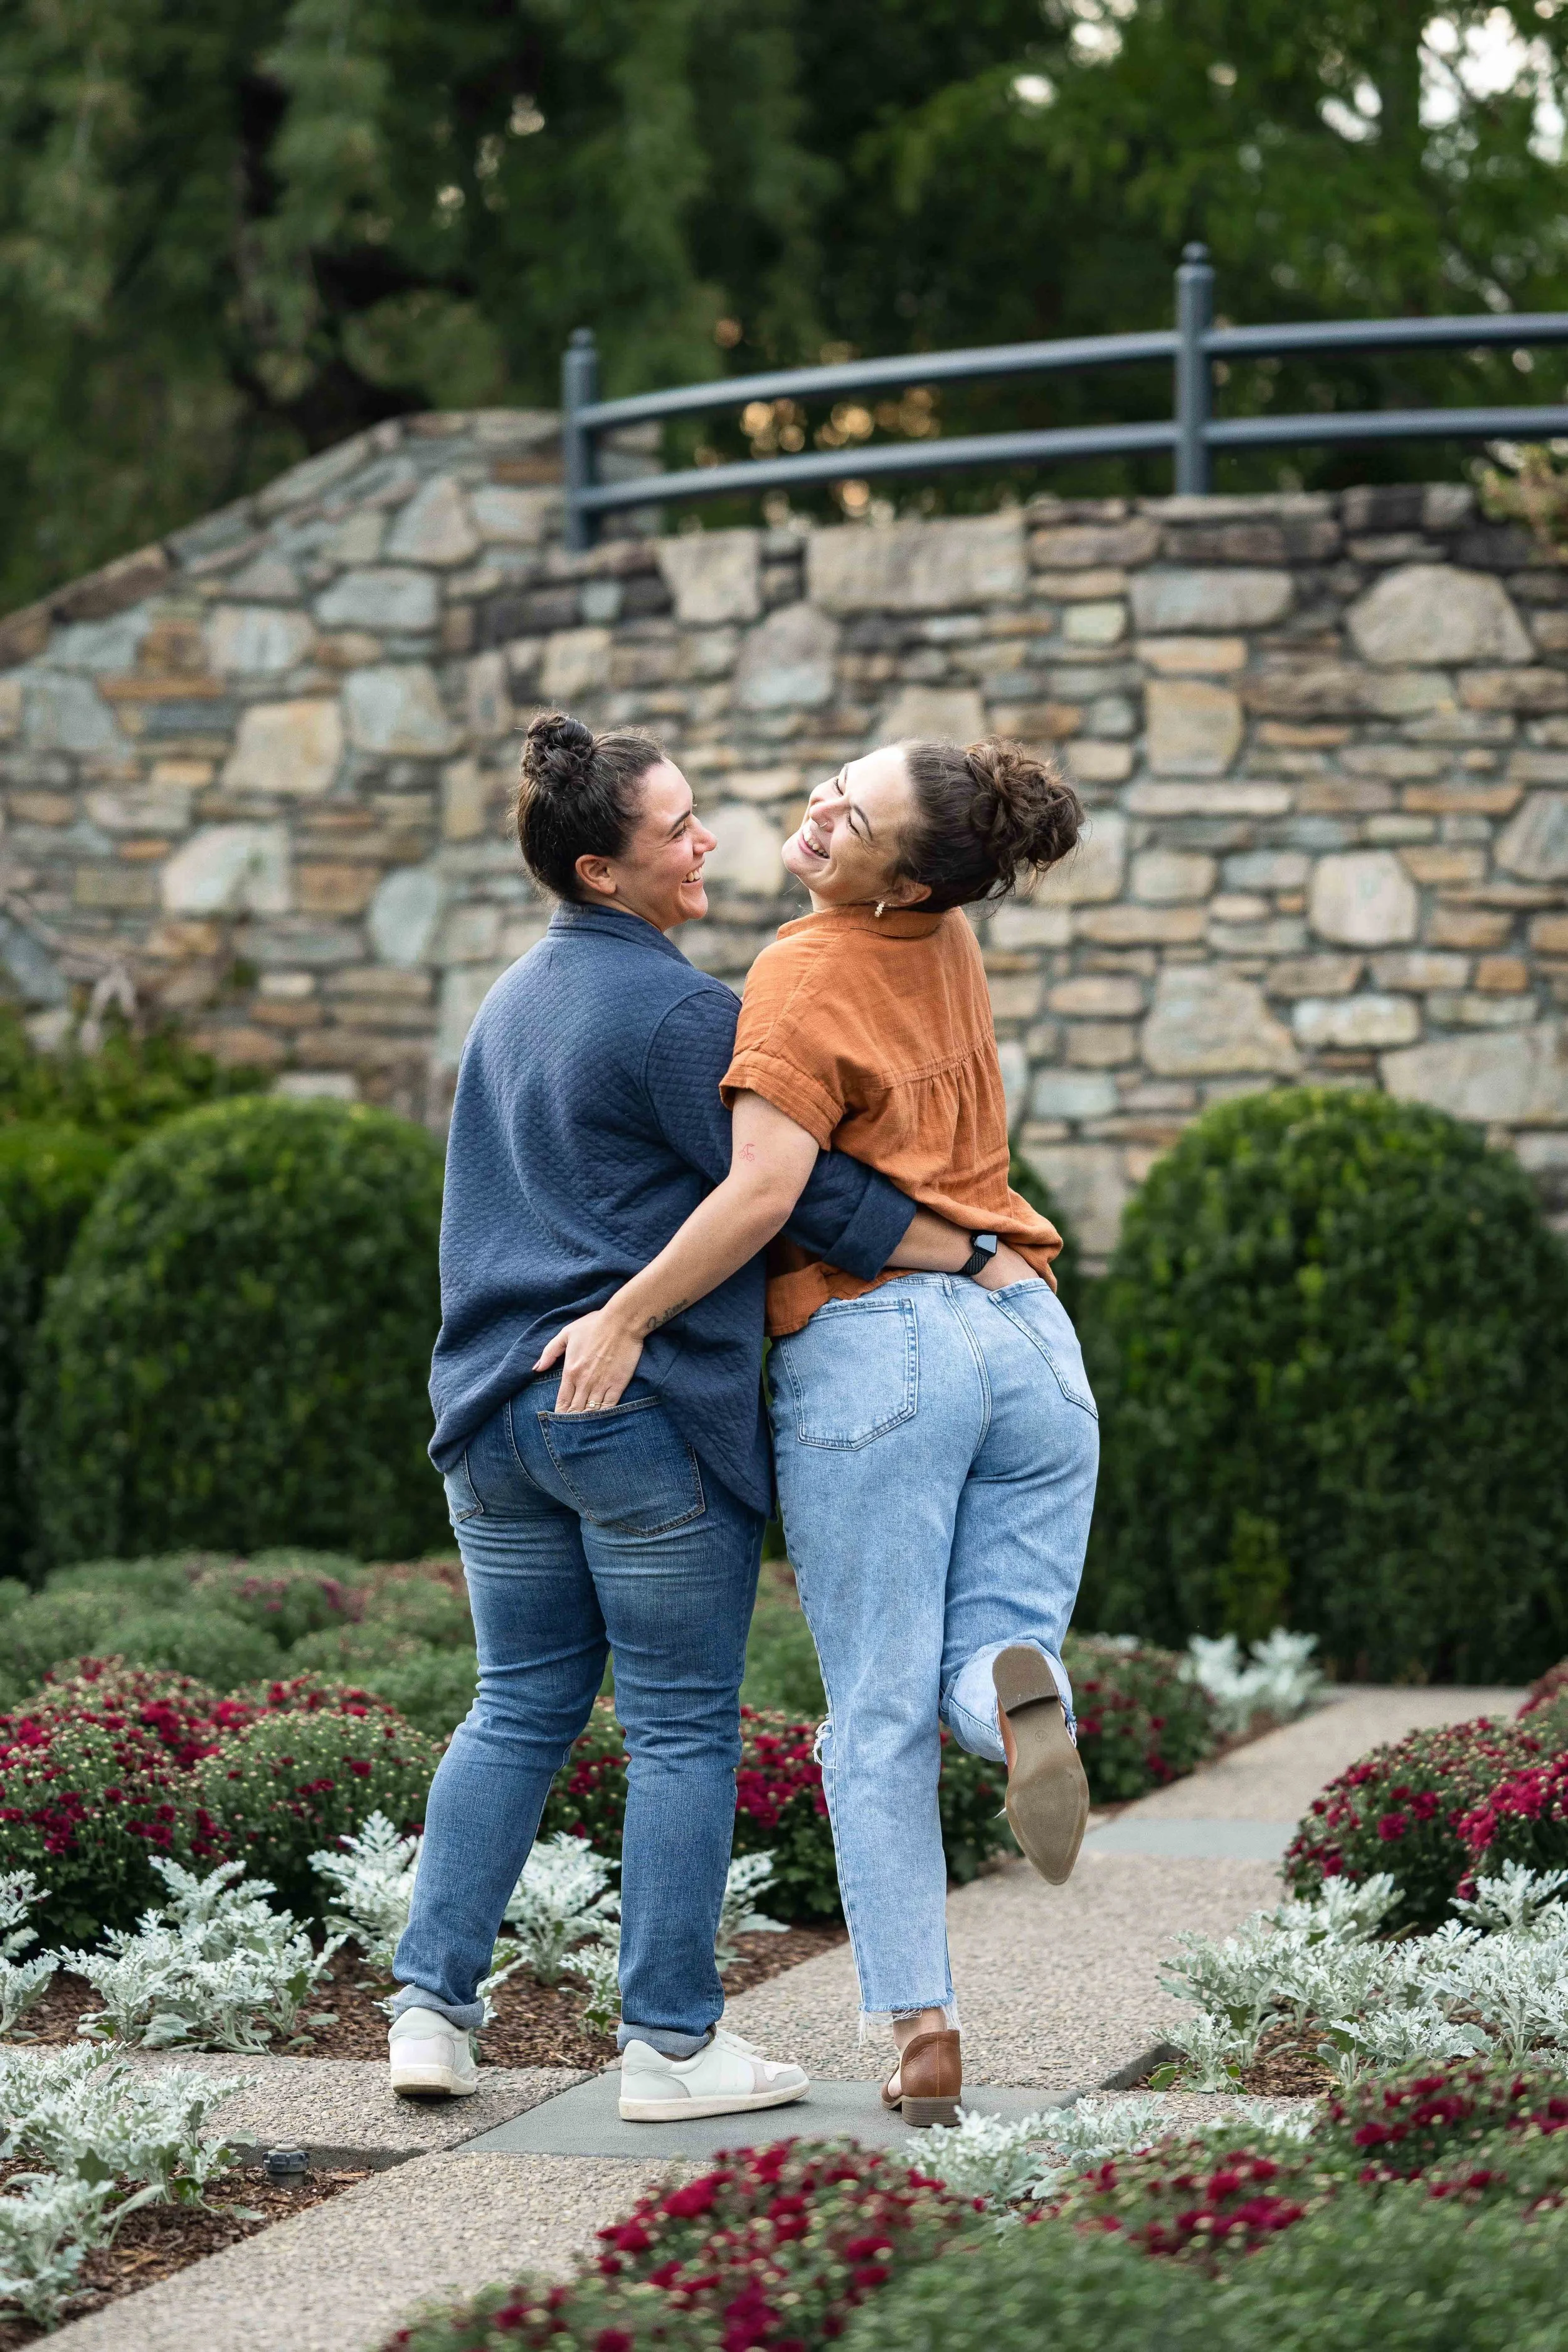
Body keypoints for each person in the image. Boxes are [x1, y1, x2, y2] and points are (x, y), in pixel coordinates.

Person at [389, 711, 975, 2124]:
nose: (705, 839)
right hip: (632, 1413)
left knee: (518, 1707)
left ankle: (426, 2011)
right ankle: (668, 2046)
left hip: (492, 1419)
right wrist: (965, 1247)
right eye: (676, 828)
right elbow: (797, 1191)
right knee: (675, 1730)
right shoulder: (681, 1012)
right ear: (603, 870)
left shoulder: (512, 1000)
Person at [538, 732, 1097, 2127]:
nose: (818, 812)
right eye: (838, 782)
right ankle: (1022, 1699)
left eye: (853, 820)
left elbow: (757, 1196)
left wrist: (627, 1317)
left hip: (875, 1351)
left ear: (905, 881)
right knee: (982, 1658)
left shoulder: (792, 975)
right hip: (1028, 1330)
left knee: (873, 1720)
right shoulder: (948, 935)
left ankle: (918, 2022)